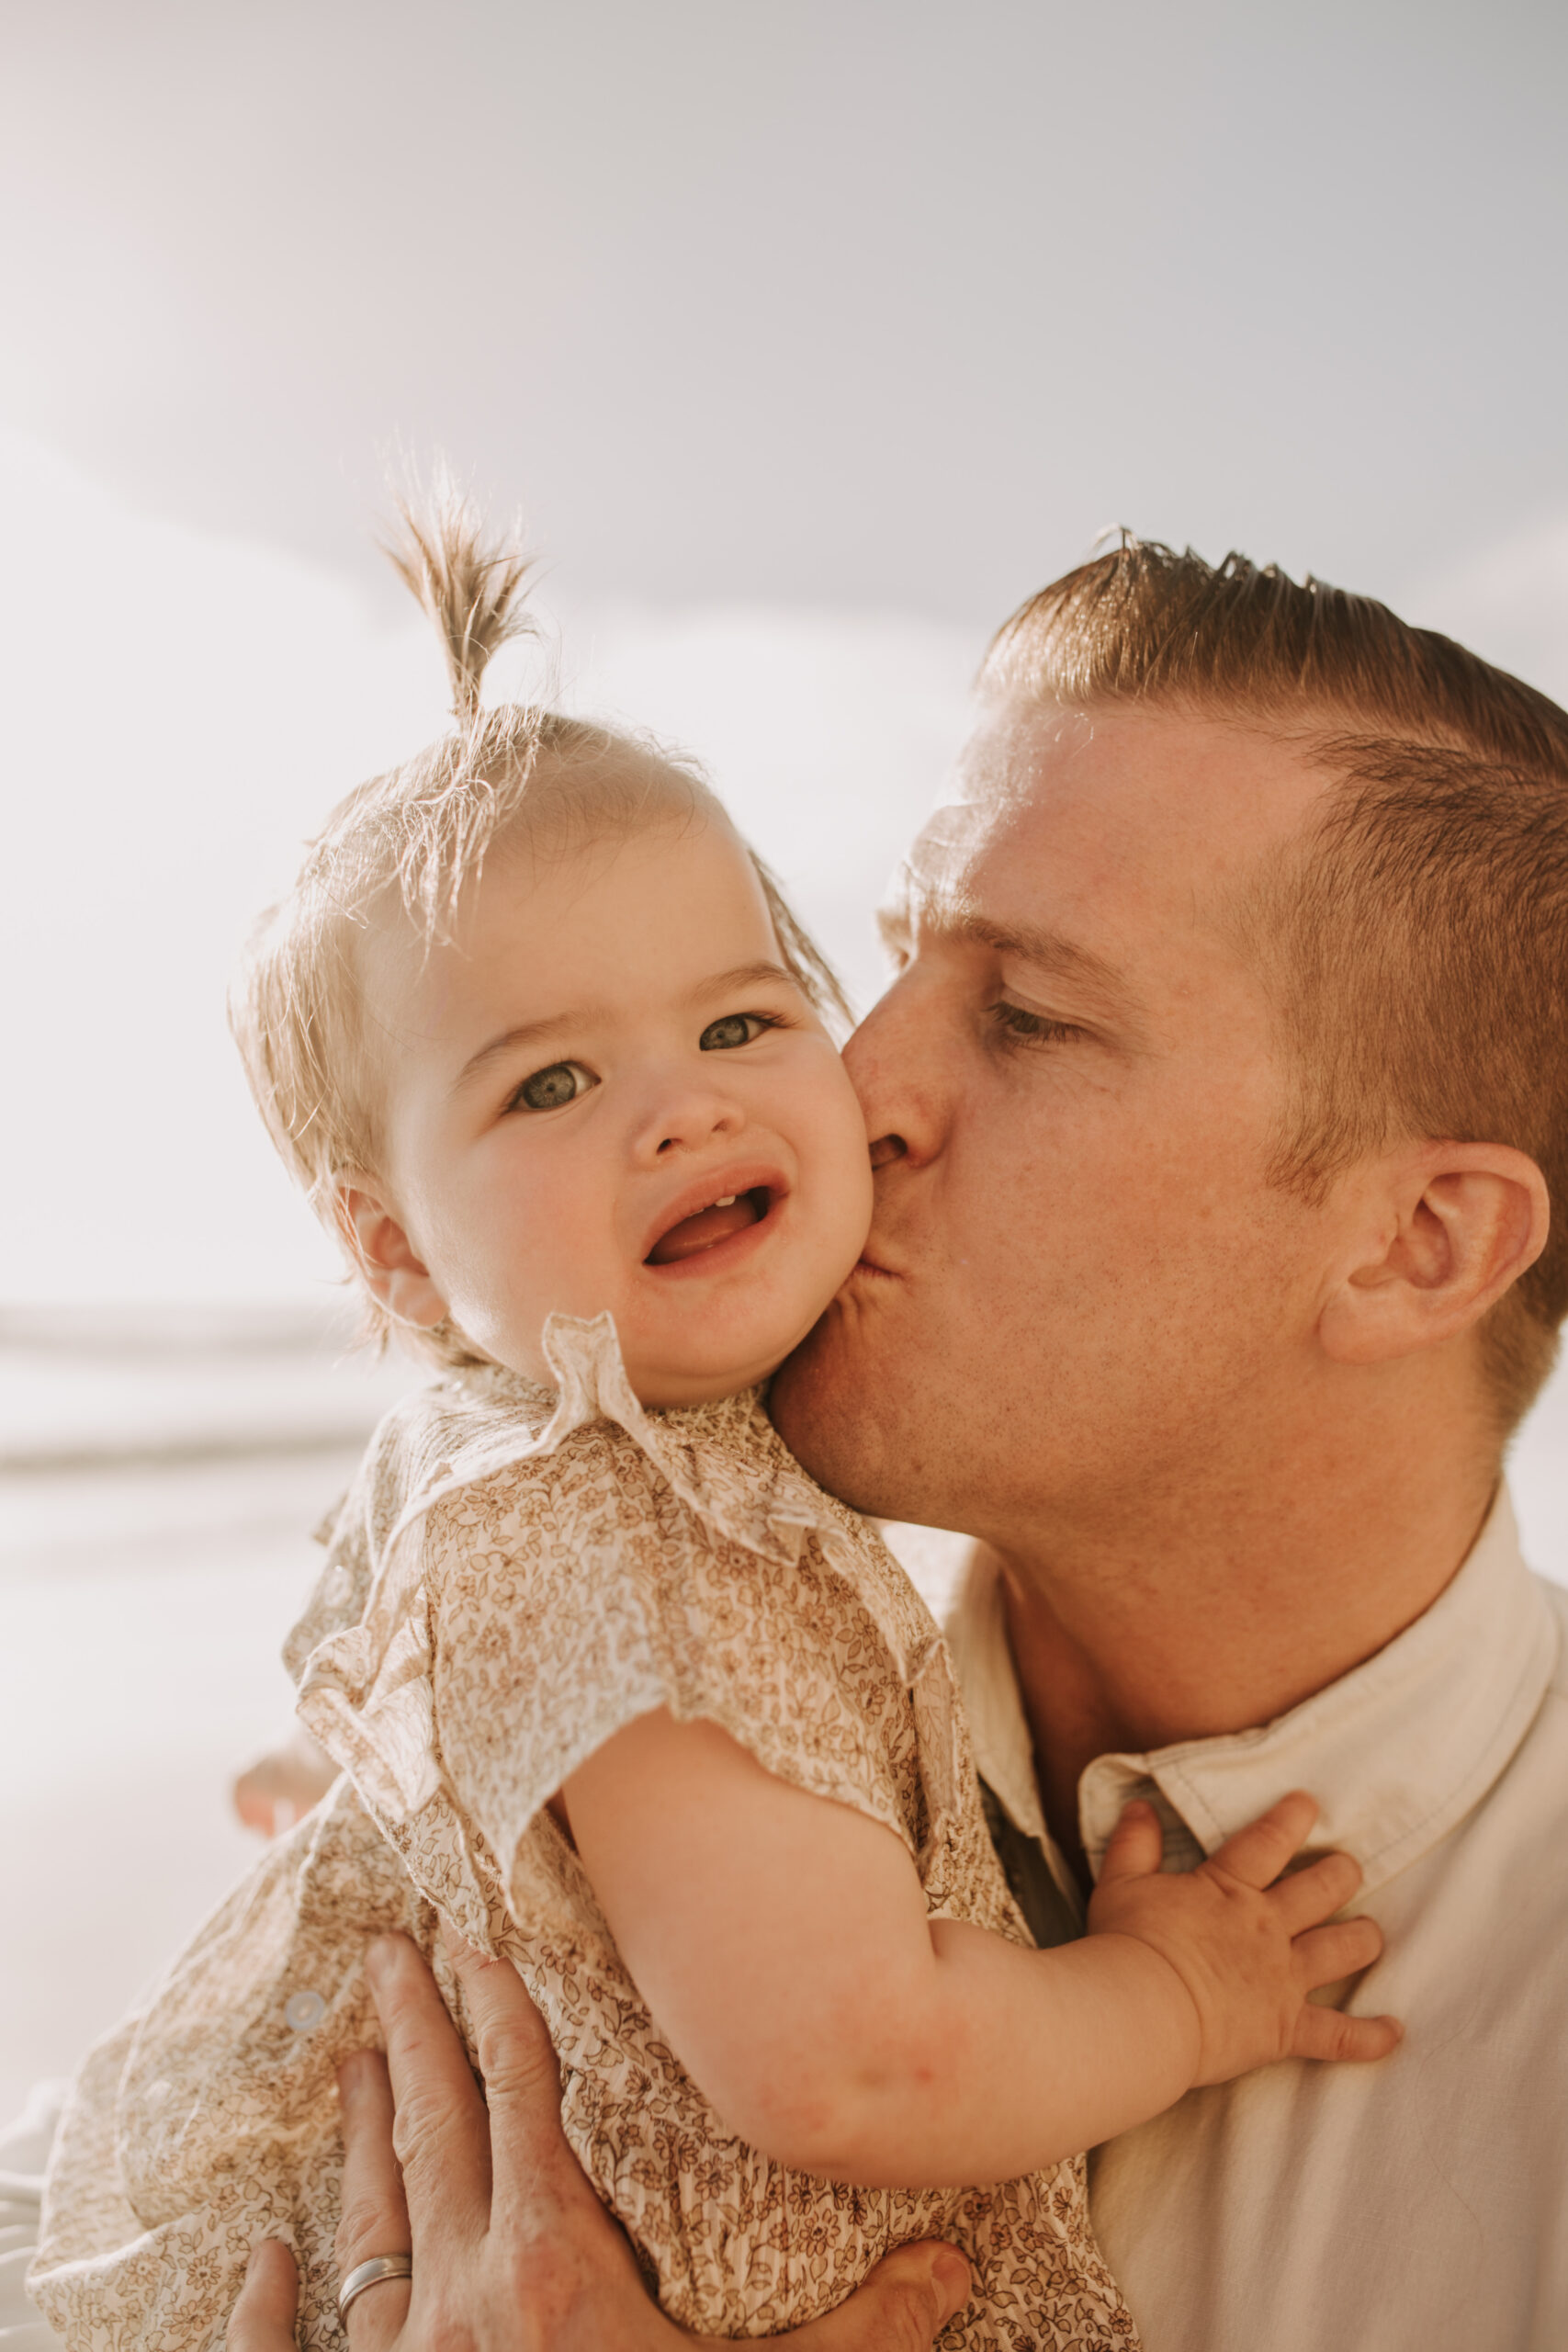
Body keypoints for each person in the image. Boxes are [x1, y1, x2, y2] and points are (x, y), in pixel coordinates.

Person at [28, 503, 1391, 2352]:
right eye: (552, 1079)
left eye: (745, 1022)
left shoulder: (566, 1461)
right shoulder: (617, 1529)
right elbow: (854, 2063)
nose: (678, 1110)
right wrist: (1174, 1995)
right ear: (398, 1253)